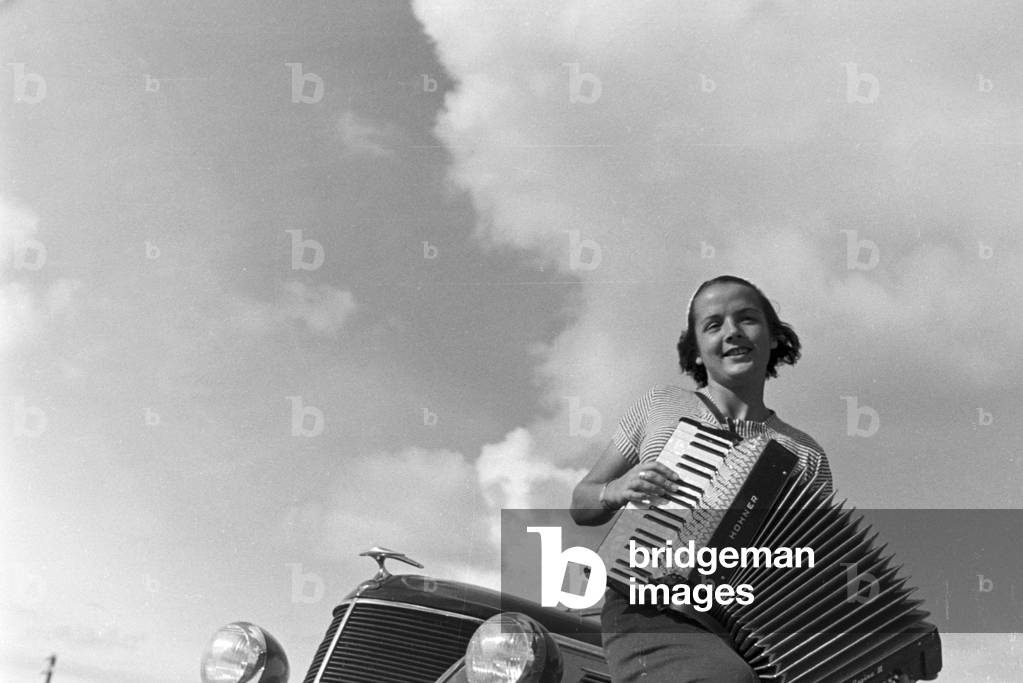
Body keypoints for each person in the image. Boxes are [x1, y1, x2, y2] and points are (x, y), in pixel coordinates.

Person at [570, 275, 834, 683]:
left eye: (747, 319)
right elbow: (581, 504)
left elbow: (806, 565)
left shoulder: (805, 453)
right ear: (694, 351)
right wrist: (615, 490)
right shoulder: (660, 405)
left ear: (774, 336)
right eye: (713, 325)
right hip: (647, 604)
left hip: (747, 628)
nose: (732, 332)